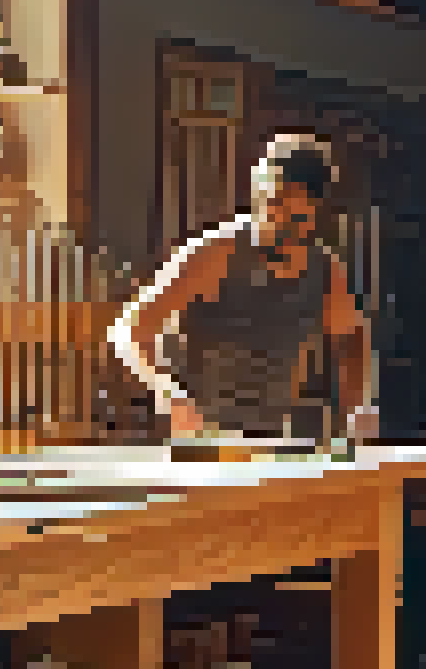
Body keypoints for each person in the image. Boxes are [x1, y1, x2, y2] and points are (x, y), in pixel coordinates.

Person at [109, 133, 379, 441]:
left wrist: (358, 407)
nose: (278, 221)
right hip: (193, 442)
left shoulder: (325, 272)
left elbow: (352, 338)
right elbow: (128, 332)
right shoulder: (216, 253)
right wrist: (168, 393)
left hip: (265, 440)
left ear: (316, 216)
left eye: (295, 216)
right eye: (273, 205)